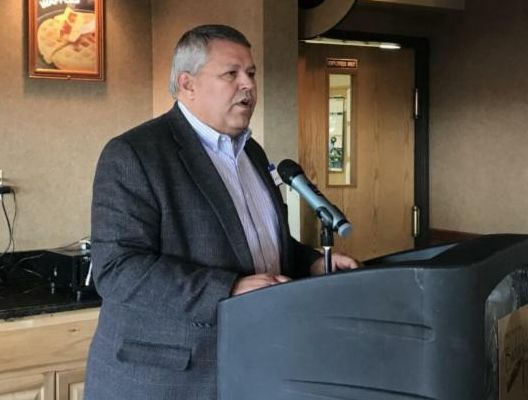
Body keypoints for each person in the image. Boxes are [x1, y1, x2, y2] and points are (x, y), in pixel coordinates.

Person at [83, 24, 359, 400]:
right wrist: (228, 289)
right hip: (169, 379)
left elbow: (260, 242)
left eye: (251, 73)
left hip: (252, 368)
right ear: (187, 84)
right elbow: (118, 269)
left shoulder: (252, 153)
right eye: (231, 74)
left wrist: (311, 263)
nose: (248, 85)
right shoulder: (135, 153)